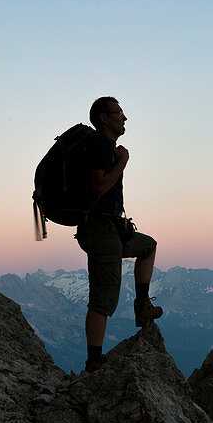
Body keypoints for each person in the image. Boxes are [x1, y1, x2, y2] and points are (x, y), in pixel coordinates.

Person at [75, 96, 162, 372]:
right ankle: (94, 362)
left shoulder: (104, 146)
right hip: (101, 231)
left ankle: (142, 306)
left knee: (147, 246)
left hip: (110, 228)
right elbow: (100, 186)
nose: (124, 118)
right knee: (102, 299)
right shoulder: (100, 144)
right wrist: (122, 162)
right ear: (104, 118)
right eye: (118, 113)